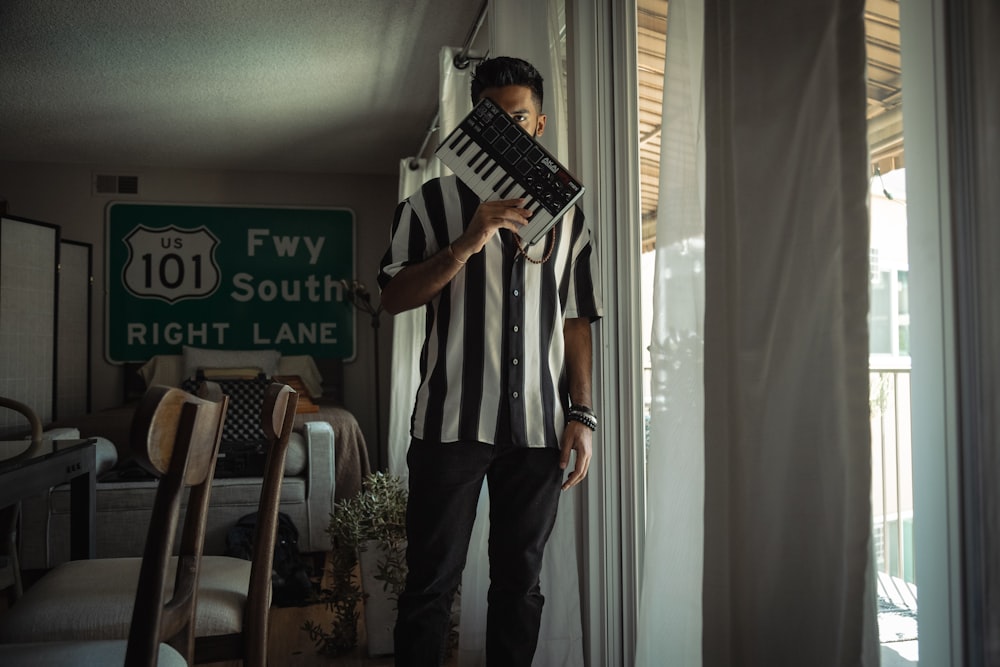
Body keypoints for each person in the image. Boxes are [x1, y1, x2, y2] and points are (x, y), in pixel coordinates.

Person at [377, 55, 603, 667]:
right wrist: (464, 243)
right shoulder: (429, 204)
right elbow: (393, 297)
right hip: (449, 427)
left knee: (519, 586)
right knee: (429, 586)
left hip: (538, 432)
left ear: (539, 124)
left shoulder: (571, 218)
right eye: (492, 119)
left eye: (518, 117)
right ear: (476, 125)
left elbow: (578, 318)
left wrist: (582, 413)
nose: (507, 127)